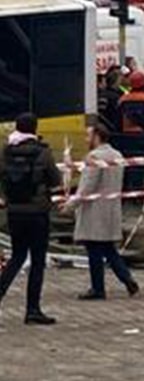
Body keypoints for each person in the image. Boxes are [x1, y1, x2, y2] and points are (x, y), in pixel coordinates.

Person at [0, 113, 64, 326]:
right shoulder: (43, 152)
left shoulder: (4, 152)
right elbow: (55, 180)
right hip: (38, 212)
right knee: (37, 261)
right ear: (35, 129)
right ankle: (32, 309)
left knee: (17, 256)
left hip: (14, 211)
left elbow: (1, 175)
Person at [63, 125, 140, 300]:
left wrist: (70, 205)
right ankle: (127, 280)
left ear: (97, 136)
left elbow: (87, 187)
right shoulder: (117, 155)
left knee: (94, 251)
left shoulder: (95, 156)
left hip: (94, 211)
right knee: (108, 249)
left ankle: (98, 289)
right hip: (111, 209)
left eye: (88, 136)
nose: (85, 139)